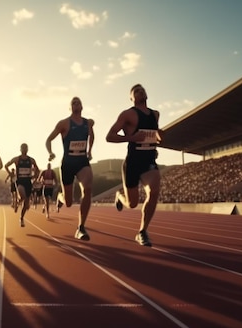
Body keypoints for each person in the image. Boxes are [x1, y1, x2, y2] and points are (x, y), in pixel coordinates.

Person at [105, 84, 162, 247]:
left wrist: (158, 140)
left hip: (149, 161)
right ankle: (119, 196)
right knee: (132, 204)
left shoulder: (155, 114)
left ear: (147, 94)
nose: (140, 92)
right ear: (131, 98)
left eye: (142, 89)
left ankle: (142, 231)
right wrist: (131, 138)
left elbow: (153, 136)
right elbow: (109, 136)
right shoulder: (127, 114)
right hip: (132, 162)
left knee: (154, 191)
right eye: (136, 91)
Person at [45, 96, 95, 240]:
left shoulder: (88, 123)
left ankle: (81, 227)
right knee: (68, 202)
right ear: (70, 108)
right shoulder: (64, 124)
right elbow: (49, 139)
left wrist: (90, 150)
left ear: (82, 106)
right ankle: (60, 198)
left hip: (82, 161)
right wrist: (50, 152)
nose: (76, 104)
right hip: (67, 163)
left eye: (78, 102)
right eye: (73, 102)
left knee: (88, 188)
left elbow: (92, 136)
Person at [4, 143, 40, 227]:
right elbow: (6, 165)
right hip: (19, 181)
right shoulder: (16, 159)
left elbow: (37, 170)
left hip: (28, 182)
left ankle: (21, 217)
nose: (24, 149)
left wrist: (35, 177)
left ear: (27, 149)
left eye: (26, 148)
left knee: (26, 204)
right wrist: (10, 174)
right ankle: (19, 201)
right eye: (23, 148)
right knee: (23, 195)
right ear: (20, 149)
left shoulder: (31, 160)